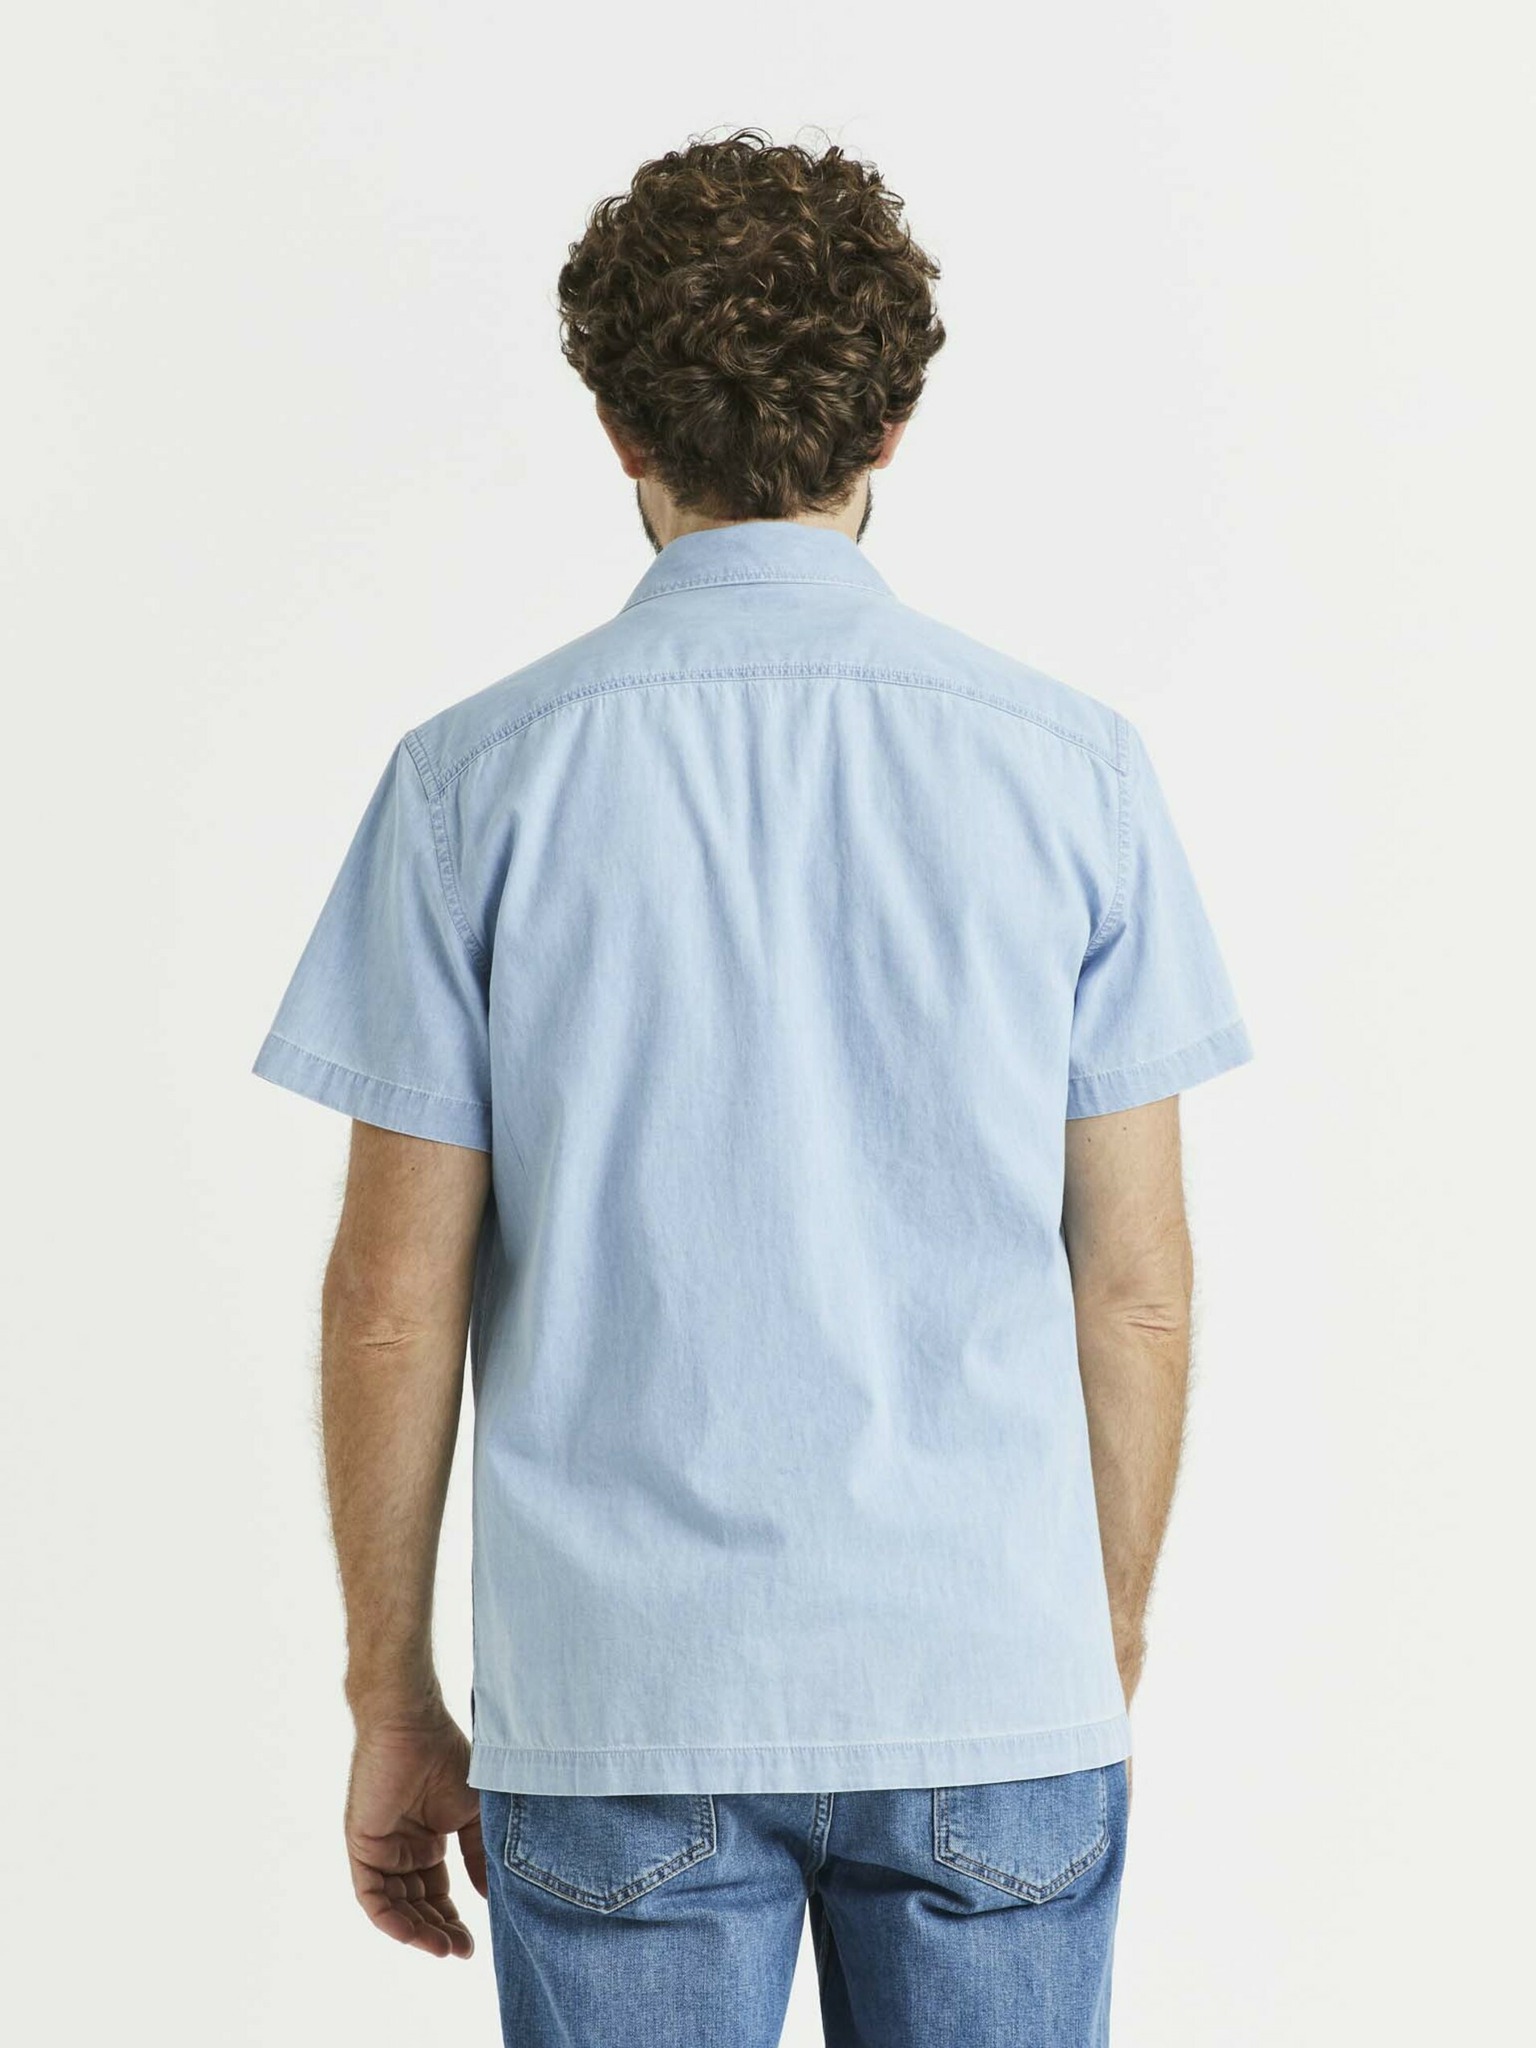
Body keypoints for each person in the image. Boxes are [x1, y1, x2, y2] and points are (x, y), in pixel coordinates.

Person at [252, 127, 1254, 2048]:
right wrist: (1092, 1641)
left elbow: (392, 1299)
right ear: (893, 425)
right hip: (989, 1685)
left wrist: (392, 1692)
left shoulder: (475, 787)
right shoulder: (1074, 775)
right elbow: (1134, 1287)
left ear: (618, 426)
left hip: (621, 1702)